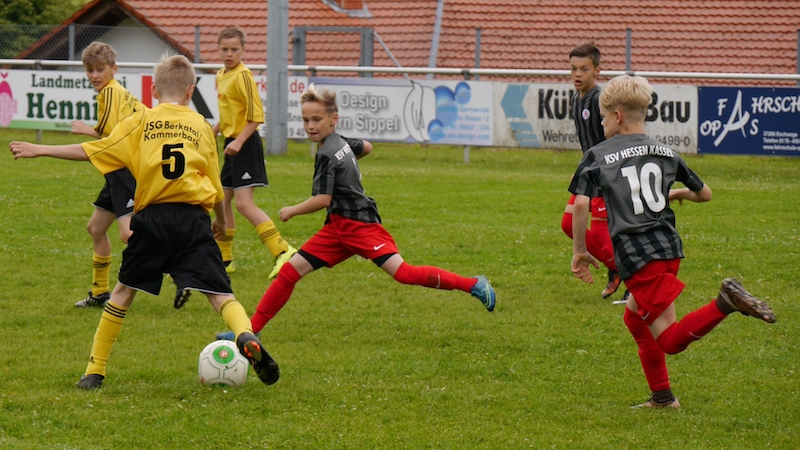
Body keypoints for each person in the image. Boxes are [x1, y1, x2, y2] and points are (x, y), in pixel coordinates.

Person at [10, 54, 279, 390]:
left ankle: (94, 372)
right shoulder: (201, 126)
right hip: (193, 219)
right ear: (190, 91)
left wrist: (41, 149)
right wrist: (222, 223)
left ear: (153, 90)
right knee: (220, 294)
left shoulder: (140, 121)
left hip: (152, 218)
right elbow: (212, 185)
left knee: (122, 293)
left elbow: (93, 149)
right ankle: (243, 334)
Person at [220, 84, 495, 347]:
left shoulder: (327, 153)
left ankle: (473, 284)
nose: (310, 126)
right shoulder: (339, 142)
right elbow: (367, 146)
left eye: (317, 119)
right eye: (305, 120)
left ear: (333, 119)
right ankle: (250, 330)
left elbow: (322, 199)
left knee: (404, 273)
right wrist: (346, 165)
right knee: (290, 271)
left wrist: (292, 210)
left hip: (360, 227)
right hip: (338, 229)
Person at [568, 74, 776, 408]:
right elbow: (705, 194)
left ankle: (725, 302)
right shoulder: (665, 151)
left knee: (670, 340)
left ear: (617, 116)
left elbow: (580, 205)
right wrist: (677, 193)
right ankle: (663, 397)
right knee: (635, 319)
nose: (601, 123)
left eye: (603, 117)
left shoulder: (597, 154)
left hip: (638, 254)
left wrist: (580, 250)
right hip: (668, 248)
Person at [213, 27, 296, 280]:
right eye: (225, 49)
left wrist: (239, 141)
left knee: (243, 204)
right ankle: (225, 259)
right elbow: (229, 113)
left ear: (243, 50)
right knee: (222, 201)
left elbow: (256, 116)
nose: (229, 54)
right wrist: (213, 130)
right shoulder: (221, 75)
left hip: (245, 144)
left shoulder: (244, 76)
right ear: (218, 49)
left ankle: (282, 250)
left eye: (234, 49)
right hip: (232, 143)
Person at [70, 41, 145, 308]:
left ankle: (179, 269)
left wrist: (86, 130)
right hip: (116, 170)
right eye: (90, 70)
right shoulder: (116, 92)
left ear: (114, 69)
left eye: (99, 69)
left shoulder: (110, 92)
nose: (94, 75)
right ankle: (100, 292)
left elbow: (112, 137)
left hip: (125, 170)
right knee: (96, 228)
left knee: (129, 234)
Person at [560, 42, 622, 300]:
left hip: (605, 173)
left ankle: (629, 275)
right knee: (568, 224)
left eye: (584, 69)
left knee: (598, 231)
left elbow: (616, 133)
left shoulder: (600, 99)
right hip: (588, 172)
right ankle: (616, 267)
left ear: (597, 70)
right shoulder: (576, 99)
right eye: (573, 69)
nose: (577, 74)